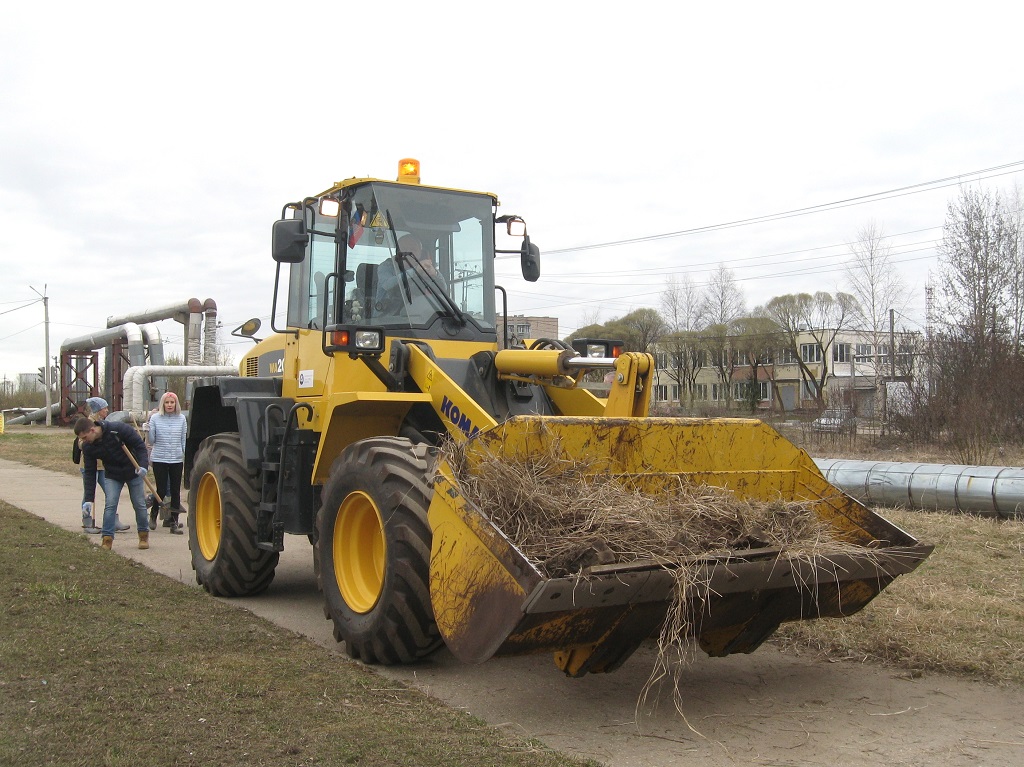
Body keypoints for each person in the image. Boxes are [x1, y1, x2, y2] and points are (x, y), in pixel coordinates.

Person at [75, 416, 152, 551]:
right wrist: (88, 499)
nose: (83, 441)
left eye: (84, 437)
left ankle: (143, 535)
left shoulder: (117, 429)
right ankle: (107, 538)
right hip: (112, 474)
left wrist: (143, 466)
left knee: (139, 504)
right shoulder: (89, 447)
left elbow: (140, 446)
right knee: (110, 504)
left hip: (133, 471)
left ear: (92, 430)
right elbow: (90, 473)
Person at [72, 397, 130, 534]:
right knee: (89, 492)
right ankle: (87, 521)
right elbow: (80, 442)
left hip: (103, 465)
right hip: (90, 465)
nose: (107, 410)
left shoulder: (104, 423)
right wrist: (89, 445)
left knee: (111, 493)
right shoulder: (88, 424)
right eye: (105, 408)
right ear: (99, 410)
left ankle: (113, 520)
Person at [147, 391, 187, 534]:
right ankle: (153, 515)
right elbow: (152, 441)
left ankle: (174, 522)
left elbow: (183, 440)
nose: (169, 405)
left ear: (176, 404)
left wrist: (185, 456)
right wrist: (148, 430)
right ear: (163, 404)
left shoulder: (182, 418)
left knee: (176, 491)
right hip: (160, 458)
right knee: (161, 490)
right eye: (167, 402)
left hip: (176, 458)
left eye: (172, 402)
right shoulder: (156, 418)